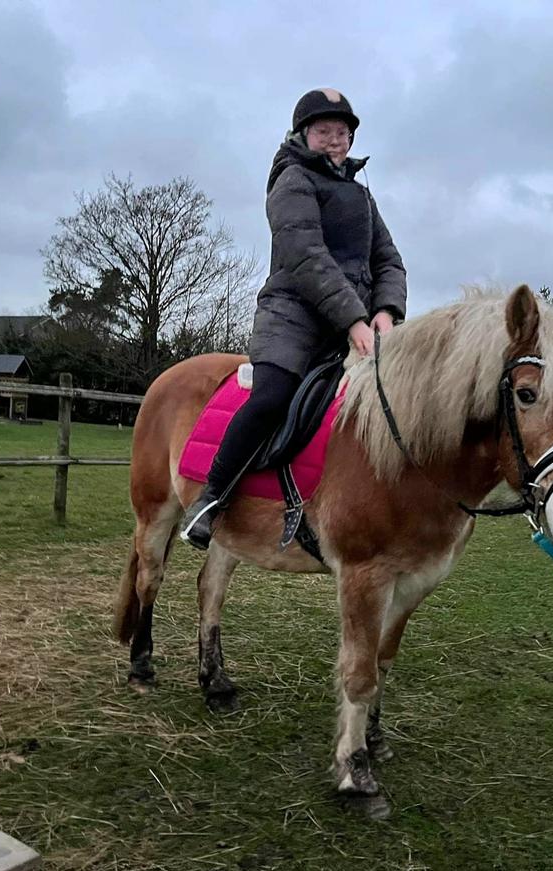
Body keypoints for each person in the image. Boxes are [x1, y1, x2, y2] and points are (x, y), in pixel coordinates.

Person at [180, 87, 407, 549]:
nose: (335, 140)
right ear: (304, 134)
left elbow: (389, 259)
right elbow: (306, 256)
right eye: (324, 131)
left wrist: (386, 311)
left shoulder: (362, 196)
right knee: (272, 397)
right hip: (293, 318)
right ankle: (211, 498)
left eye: (342, 132)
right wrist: (354, 320)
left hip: (356, 322)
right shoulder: (292, 182)